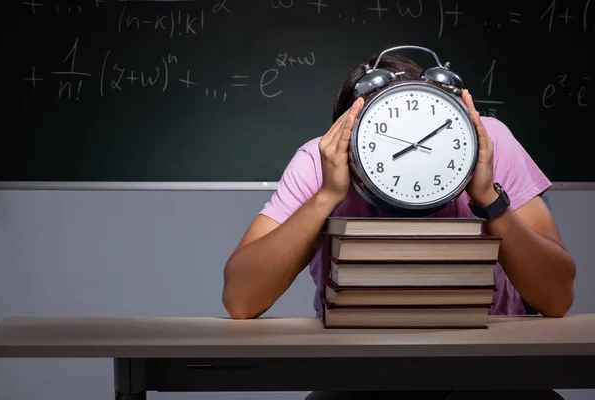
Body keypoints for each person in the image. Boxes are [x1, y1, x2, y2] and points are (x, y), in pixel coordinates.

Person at [222, 51, 577, 399]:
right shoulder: (317, 161)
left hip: (488, 366)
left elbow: (557, 298)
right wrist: (327, 195)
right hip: (362, 368)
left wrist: (488, 197)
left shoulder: (488, 141)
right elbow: (241, 299)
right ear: (345, 134)